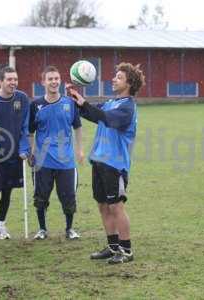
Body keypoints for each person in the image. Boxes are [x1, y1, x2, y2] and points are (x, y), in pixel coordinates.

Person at [67, 62, 145, 264]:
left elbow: (107, 119)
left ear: (129, 83)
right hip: (100, 161)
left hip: (115, 165)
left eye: (119, 77)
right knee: (103, 206)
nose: (113, 79)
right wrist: (76, 99)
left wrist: (84, 103)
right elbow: (92, 114)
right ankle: (112, 247)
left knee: (116, 207)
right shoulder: (111, 102)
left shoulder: (127, 107)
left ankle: (126, 250)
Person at [29, 66, 84, 240]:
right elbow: (30, 132)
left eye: (56, 78)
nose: (54, 82)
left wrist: (80, 149)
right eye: (50, 79)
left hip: (66, 161)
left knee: (68, 197)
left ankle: (69, 229)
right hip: (43, 161)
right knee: (41, 197)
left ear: (60, 81)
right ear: (43, 82)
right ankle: (42, 229)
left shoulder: (69, 103)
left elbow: (78, 127)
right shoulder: (35, 105)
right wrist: (31, 151)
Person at [0, 66, 30, 240]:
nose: (13, 83)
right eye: (9, 79)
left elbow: (25, 127)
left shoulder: (23, 98)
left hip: (15, 154)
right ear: (0, 81)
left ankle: (1, 225)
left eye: (15, 79)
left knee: (8, 190)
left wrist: (24, 148)